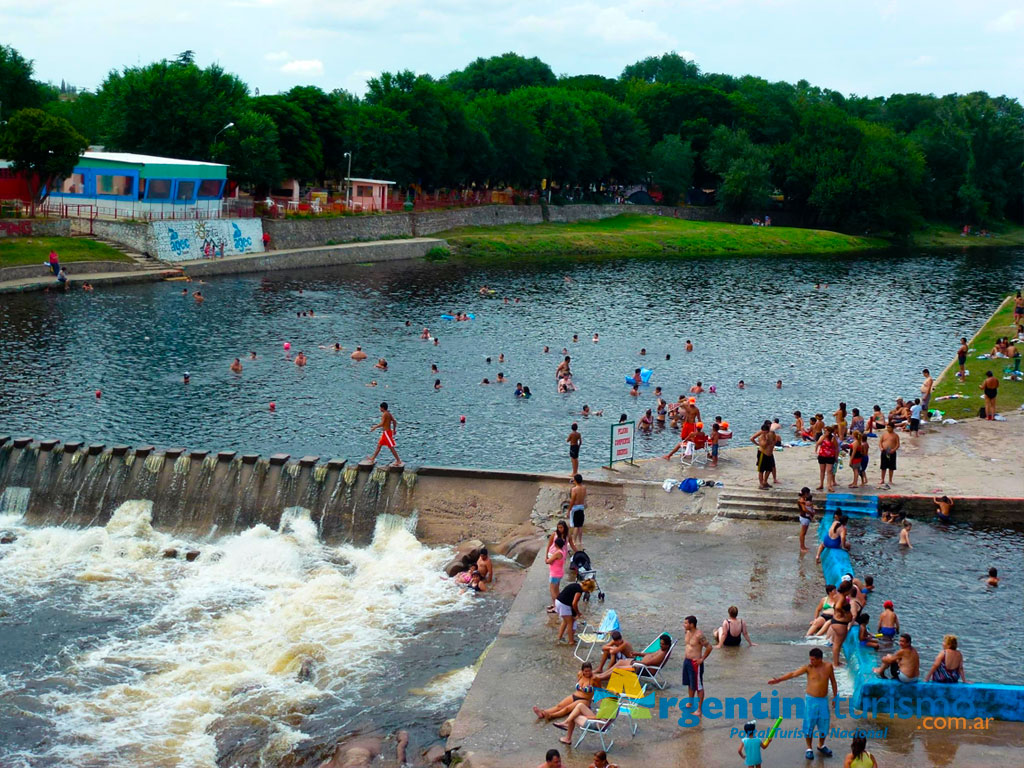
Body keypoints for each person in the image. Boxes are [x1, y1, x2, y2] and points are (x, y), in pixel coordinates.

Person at [768, 648, 837, 760]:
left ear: (820, 659)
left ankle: (821, 745)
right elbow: (793, 674)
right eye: (810, 659)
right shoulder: (808, 668)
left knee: (824, 724)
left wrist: (835, 697)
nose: (811, 662)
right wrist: (779, 680)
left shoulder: (828, 667)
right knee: (809, 724)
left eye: (813, 660)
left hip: (823, 700)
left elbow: (833, 681)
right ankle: (809, 748)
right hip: (811, 700)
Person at [593, 634, 672, 682]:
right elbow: (651, 654)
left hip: (643, 668)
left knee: (618, 668)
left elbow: (648, 663)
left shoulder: (663, 654)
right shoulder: (662, 649)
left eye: (662, 644)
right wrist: (639, 654)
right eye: (660, 643)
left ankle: (599, 678)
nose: (661, 645)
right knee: (620, 662)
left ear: (667, 645)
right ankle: (602, 675)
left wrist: (635, 662)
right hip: (639, 665)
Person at [682, 615, 713, 718]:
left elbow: (709, 647)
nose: (684, 625)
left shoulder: (699, 635)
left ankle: (699, 709)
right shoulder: (687, 632)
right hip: (687, 661)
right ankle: (690, 702)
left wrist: (702, 659)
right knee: (690, 683)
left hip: (696, 663)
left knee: (698, 686)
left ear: (692, 624)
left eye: (686, 623)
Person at [555, 579, 596, 645]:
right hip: (564, 604)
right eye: (588, 590)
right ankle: (571, 641)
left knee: (565, 621)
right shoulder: (579, 591)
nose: (587, 592)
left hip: (558, 601)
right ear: (587, 587)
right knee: (570, 622)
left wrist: (574, 613)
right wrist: (578, 613)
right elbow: (574, 604)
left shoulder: (576, 585)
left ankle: (559, 637)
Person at [545, 522, 573, 612]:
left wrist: (547, 559)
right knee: (557, 590)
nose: (560, 529)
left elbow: (548, 561)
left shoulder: (557, 553)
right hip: (559, 572)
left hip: (554, 574)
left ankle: (556, 607)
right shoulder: (562, 552)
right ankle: (556, 605)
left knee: (553, 590)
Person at [815, 425, 839, 492]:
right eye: (825, 431)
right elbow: (818, 443)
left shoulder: (833, 438)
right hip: (822, 455)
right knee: (822, 470)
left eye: (826, 431)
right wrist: (824, 437)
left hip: (830, 456)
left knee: (829, 471)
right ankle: (821, 484)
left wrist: (836, 457)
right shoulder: (822, 437)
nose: (825, 432)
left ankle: (829, 485)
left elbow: (836, 447)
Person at [878, 423, 899, 488]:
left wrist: (894, 450)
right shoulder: (884, 434)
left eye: (889, 427)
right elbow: (880, 442)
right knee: (883, 467)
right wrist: (881, 448)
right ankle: (882, 479)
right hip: (884, 451)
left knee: (891, 467)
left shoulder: (895, 435)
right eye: (887, 427)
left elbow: (898, 444)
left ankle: (890, 480)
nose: (888, 428)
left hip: (892, 451)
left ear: (892, 428)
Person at [569, 474, 587, 546]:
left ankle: (574, 541)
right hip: (581, 507)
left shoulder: (574, 489)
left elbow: (572, 500)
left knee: (576, 525)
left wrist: (568, 510)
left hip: (575, 507)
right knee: (580, 525)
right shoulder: (584, 488)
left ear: (575, 480)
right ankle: (580, 541)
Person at [797, 487, 816, 552]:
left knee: (804, 533)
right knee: (803, 533)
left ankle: (803, 546)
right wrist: (811, 513)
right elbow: (804, 509)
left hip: (805, 517)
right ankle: (802, 547)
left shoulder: (803, 500)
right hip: (804, 517)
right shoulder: (801, 500)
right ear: (805, 493)